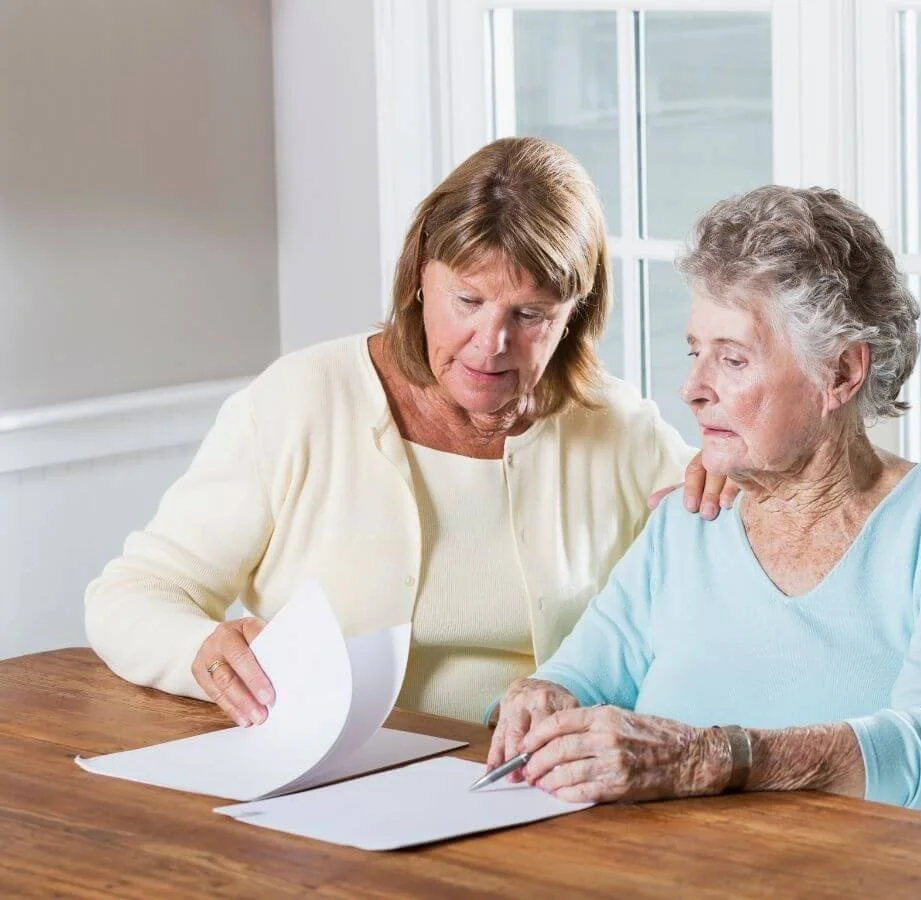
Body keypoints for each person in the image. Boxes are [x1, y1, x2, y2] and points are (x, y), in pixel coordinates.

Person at [85, 137, 734, 726]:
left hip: (538, 790)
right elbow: (131, 596)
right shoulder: (299, 402)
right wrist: (199, 649)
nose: (491, 343)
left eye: (530, 313)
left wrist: (737, 485)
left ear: (575, 314)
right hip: (331, 783)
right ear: (421, 278)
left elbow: (735, 570)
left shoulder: (617, 428)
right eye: (468, 301)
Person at [488, 186, 921, 834]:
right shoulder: (689, 523)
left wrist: (712, 757)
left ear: (840, 372)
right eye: (694, 351)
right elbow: (578, 678)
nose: (692, 389)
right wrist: (539, 699)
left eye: (732, 359)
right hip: (728, 872)